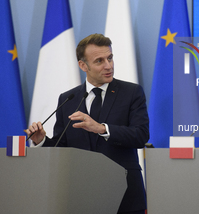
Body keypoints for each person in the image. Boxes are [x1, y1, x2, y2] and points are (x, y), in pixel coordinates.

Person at [27, 33, 149, 214]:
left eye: (110, 58)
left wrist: (101, 128)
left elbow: (141, 135)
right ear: (83, 65)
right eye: (99, 61)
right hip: (82, 194)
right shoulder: (68, 98)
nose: (108, 66)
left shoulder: (132, 92)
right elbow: (63, 148)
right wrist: (42, 141)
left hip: (125, 194)